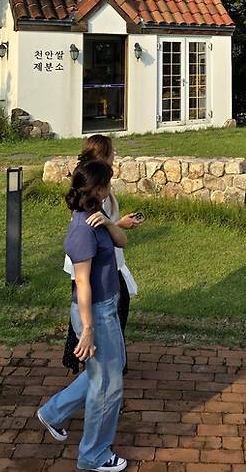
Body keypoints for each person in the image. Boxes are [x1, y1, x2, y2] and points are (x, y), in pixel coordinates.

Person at [37, 159, 128, 472]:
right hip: (96, 315)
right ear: (99, 189)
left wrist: (108, 221)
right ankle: (94, 455)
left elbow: (123, 241)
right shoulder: (81, 231)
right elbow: (82, 284)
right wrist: (87, 330)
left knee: (100, 376)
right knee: (109, 385)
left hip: (107, 308)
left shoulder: (95, 218)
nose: (111, 187)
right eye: (109, 183)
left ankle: (52, 413)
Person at [62, 135, 143, 374]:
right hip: (95, 261)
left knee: (93, 307)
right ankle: (103, 362)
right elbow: (91, 227)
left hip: (104, 258)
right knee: (102, 307)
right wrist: (118, 224)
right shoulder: (95, 190)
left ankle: (88, 360)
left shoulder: (98, 184)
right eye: (111, 153)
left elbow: (107, 229)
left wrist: (115, 225)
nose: (115, 157)